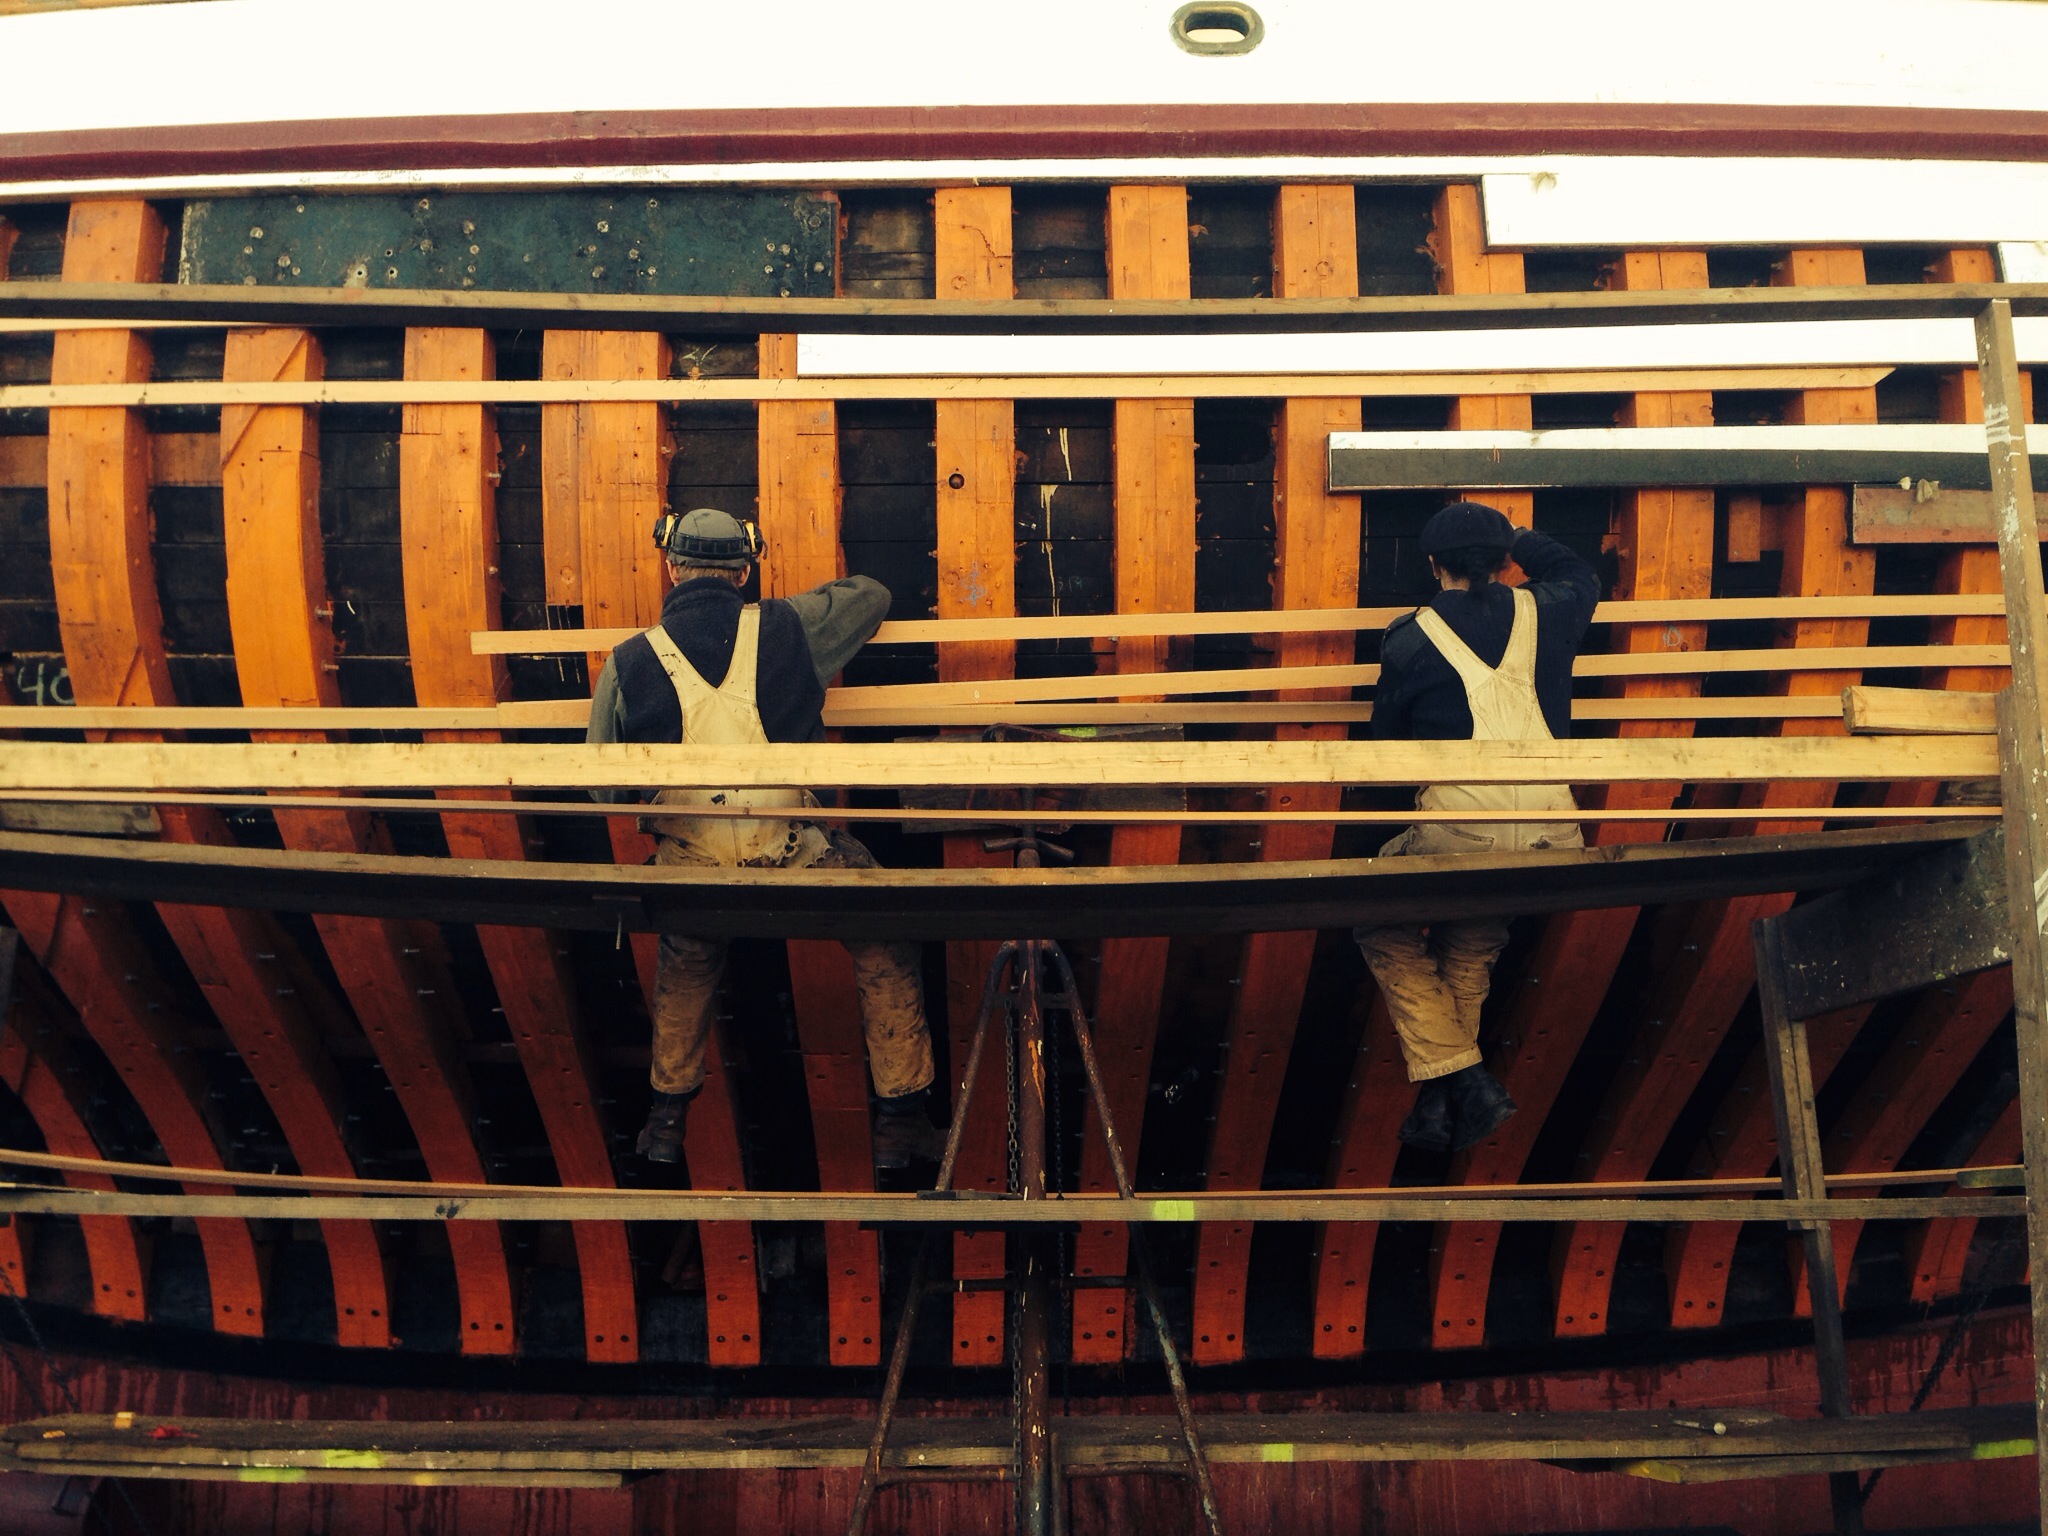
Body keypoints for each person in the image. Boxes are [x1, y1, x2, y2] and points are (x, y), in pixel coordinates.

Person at [588, 507, 947, 1171]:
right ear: (745, 570)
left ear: (670, 567)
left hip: (690, 861)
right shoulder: (788, 627)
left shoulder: (629, 660)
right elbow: (873, 594)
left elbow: (603, 789)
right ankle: (900, 1117)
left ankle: (666, 1120)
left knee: (688, 953)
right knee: (883, 928)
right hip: (795, 852)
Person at [1359, 502, 1600, 1154]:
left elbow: (1388, 746)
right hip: (1555, 833)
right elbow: (1578, 569)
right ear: (1503, 561)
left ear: (1433, 564)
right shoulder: (1550, 607)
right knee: (1471, 939)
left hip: (1462, 830)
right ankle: (1444, 1098)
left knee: (1377, 911)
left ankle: (1461, 1077)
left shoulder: (1410, 636)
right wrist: (1517, 529)